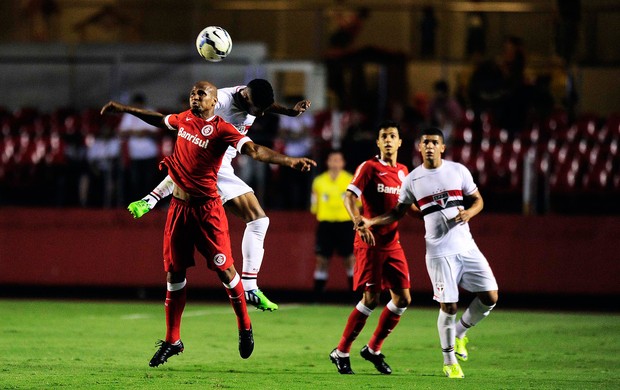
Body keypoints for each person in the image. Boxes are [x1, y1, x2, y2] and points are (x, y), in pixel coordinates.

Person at [100, 80, 316, 367]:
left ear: (215, 103)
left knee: (227, 269)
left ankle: (244, 323)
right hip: (179, 209)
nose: (195, 96)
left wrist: (288, 154)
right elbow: (157, 120)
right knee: (174, 275)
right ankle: (172, 340)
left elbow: (255, 150)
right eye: (193, 92)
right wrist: (124, 109)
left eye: (201, 94)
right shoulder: (184, 119)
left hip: (208, 209)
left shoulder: (223, 128)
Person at [126, 79, 311, 311]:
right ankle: (249, 287)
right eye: (257, 109)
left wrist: (288, 112)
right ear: (244, 98)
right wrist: (289, 161)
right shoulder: (221, 101)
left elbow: (264, 103)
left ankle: (250, 286)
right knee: (248, 215)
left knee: (260, 221)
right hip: (216, 167)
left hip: (225, 166)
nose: (261, 114)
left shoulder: (251, 94)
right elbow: (192, 125)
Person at [359, 127, 499, 379]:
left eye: (435, 142)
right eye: (425, 143)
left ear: (442, 147)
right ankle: (449, 361)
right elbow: (397, 212)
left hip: (467, 246)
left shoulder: (458, 170)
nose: (430, 146)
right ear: (419, 148)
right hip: (439, 251)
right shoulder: (412, 179)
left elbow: (478, 200)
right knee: (449, 305)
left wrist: (469, 212)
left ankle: (459, 333)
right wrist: (371, 222)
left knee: (490, 296)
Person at [329, 120, 412, 375]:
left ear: (399, 142)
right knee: (371, 299)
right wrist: (358, 222)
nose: (388, 140)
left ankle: (373, 349)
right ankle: (341, 351)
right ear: (378, 142)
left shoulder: (403, 171)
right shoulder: (369, 167)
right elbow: (348, 196)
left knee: (403, 298)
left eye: (393, 136)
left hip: (392, 243)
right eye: (384, 136)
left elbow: (405, 208)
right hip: (370, 242)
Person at [310, 150, 355, 300]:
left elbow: (357, 204)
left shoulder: (351, 180)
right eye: (332, 160)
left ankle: (355, 294)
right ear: (327, 162)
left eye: (338, 160)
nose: (335, 163)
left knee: (350, 259)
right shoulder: (319, 181)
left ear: (343, 163)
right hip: (326, 224)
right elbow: (314, 205)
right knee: (322, 260)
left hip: (346, 224)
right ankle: (317, 295)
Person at [117, 93, 162, 202]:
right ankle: (137, 203)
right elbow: (121, 132)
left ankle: (149, 204)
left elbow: (157, 131)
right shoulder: (129, 115)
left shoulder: (151, 112)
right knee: (135, 181)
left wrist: (145, 132)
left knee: (149, 181)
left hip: (149, 153)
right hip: (135, 154)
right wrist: (132, 132)